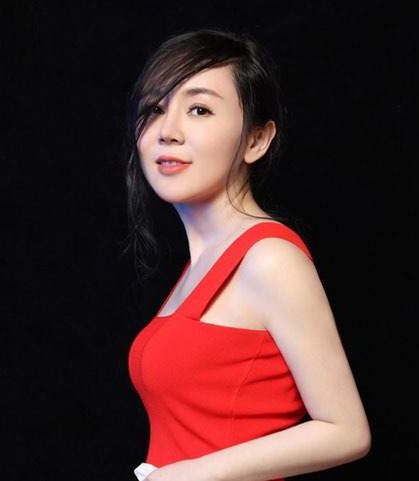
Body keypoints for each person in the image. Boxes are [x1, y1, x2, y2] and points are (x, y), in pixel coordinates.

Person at [123, 28, 370, 481]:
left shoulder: (269, 258)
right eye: (155, 108)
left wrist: (191, 474)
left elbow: (346, 430)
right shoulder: (201, 267)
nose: (167, 131)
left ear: (256, 140)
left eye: (199, 109)